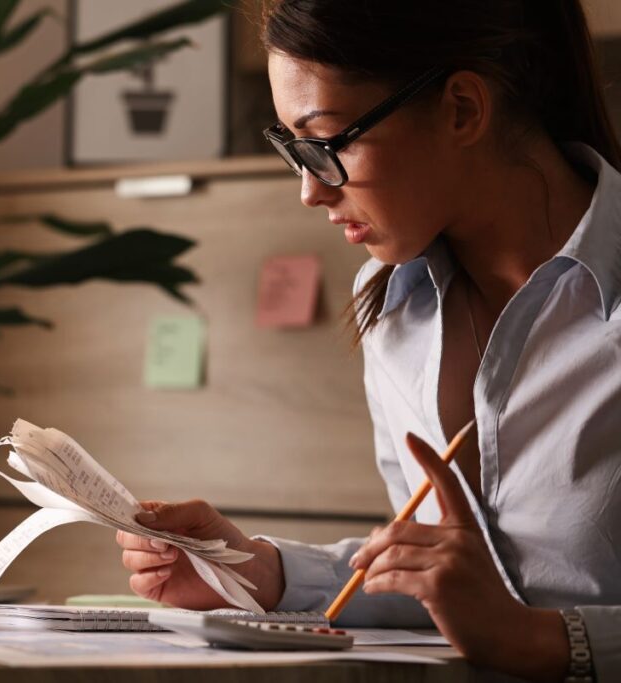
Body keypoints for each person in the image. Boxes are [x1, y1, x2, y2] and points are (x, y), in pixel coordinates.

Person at [115, 1, 621, 681]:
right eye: (291, 147)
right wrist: (260, 571)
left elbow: (514, 621)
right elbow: (446, 579)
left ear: (463, 109)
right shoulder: (389, 304)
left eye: (325, 144)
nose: (309, 191)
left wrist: (543, 641)